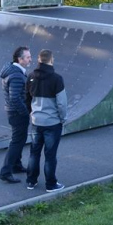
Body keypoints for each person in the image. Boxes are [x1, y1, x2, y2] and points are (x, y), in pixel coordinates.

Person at [26, 49, 67, 192]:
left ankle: (31, 181)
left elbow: (27, 98)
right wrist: (63, 118)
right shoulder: (57, 78)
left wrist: (33, 113)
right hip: (52, 123)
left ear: (39, 59)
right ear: (51, 59)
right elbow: (61, 103)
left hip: (36, 122)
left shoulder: (31, 76)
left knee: (34, 152)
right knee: (50, 155)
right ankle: (50, 184)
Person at [0, 46, 32, 183]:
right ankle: (5, 171)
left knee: (20, 139)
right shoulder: (17, 76)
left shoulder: (12, 70)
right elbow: (15, 98)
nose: (30, 59)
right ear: (20, 59)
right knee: (17, 141)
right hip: (17, 113)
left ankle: (17, 165)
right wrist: (25, 112)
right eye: (28, 57)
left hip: (13, 112)